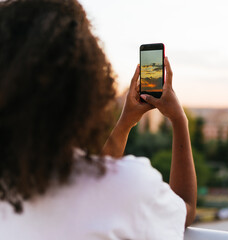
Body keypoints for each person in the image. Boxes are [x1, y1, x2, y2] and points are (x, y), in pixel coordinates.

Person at [0, 0, 197, 239]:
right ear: (88, 82)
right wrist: (179, 120)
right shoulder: (130, 188)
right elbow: (183, 207)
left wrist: (125, 124)